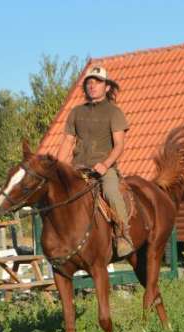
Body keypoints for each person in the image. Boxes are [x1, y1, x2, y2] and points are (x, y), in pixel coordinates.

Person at [57, 65, 134, 257]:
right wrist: (59, 168)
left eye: (97, 82)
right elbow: (67, 142)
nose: (92, 86)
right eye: (89, 82)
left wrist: (105, 164)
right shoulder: (76, 112)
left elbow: (119, 145)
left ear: (106, 87)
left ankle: (123, 235)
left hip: (103, 169)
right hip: (78, 169)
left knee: (110, 191)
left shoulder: (114, 112)